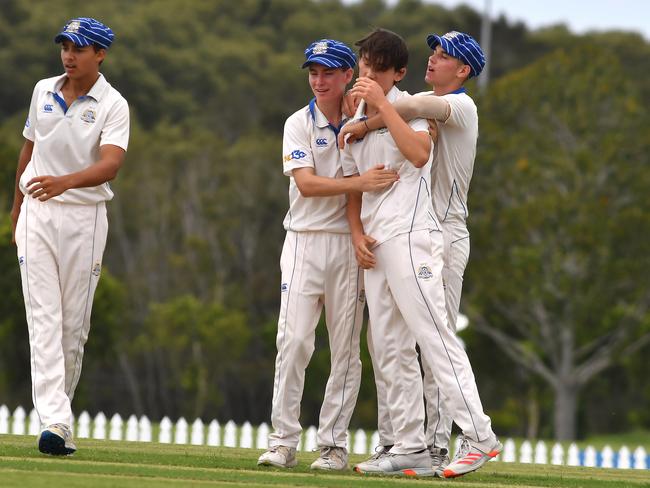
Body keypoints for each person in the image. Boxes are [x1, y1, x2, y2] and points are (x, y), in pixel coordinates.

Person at [341, 28, 502, 478]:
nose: (434, 59)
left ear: (464, 69)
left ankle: (476, 437)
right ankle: (412, 446)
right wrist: (366, 119)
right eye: (432, 52)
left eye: (444, 55)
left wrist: (371, 115)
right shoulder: (401, 107)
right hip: (392, 234)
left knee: (436, 337)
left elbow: (412, 132)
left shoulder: (454, 105)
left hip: (433, 232)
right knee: (390, 344)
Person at [256, 39, 399, 471]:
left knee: (344, 351)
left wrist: (358, 224)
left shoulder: (366, 124)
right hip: (302, 239)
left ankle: (333, 445)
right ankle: (282, 442)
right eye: (312, 73)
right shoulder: (298, 123)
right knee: (294, 340)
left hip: (349, 244)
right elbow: (307, 184)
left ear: (346, 77)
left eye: (327, 73)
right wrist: (358, 184)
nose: (318, 81)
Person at [10, 17, 129, 456]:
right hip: (38, 212)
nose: (69, 55)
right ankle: (55, 421)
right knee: (42, 317)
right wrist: (17, 207)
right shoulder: (43, 89)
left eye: (79, 48)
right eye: (65, 46)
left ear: (100, 54)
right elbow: (29, 147)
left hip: (84, 215)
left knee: (71, 327)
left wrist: (66, 182)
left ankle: (59, 418)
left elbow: (110, 164)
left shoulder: (114, 103)